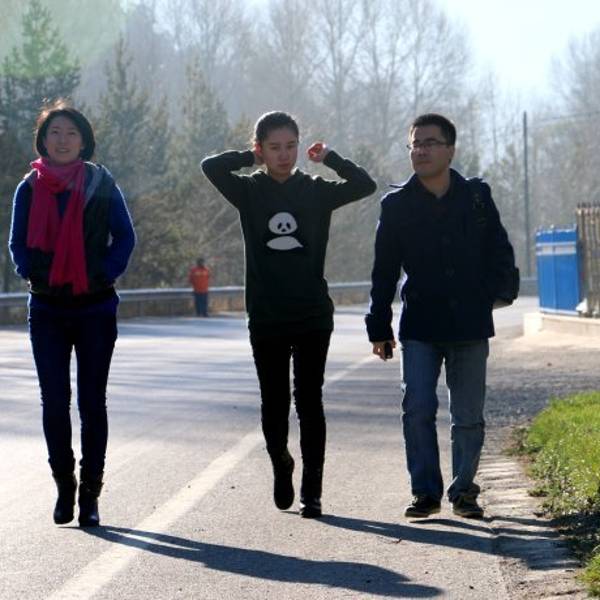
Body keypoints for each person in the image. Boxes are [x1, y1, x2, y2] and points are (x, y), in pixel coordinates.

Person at [201, 111, 376, 518]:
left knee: (309, 400)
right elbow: (210, 167)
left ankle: (312, 489)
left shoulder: (315, 191)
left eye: (291, 146)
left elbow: (364, 185)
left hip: (312, 313)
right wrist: (249, 158)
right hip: (267, 315)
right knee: (274, 401)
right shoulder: (248, 191)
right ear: (261, 149)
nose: (284, 155)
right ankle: (281, 460)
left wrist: (330, 158)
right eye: (274, 147)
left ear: (300, 146)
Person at [365, 113, 517, 520]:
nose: (421, 151)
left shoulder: (476, 196)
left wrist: (491, 294)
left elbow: (499, 249)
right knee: (417, 407)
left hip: (469, 323)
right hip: (420, 324)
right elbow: (384, 271)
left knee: (468, 416)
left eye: (430, 143)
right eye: (415, 144)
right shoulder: (396, 205)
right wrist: (378, 325)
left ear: (450, 150)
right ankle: (425, 493)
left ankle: (464, 491)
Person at [8, 100, 136, 527]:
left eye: (71, 133)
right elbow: (16, 243)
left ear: (84, 141)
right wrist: (33, 272)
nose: (62, 140)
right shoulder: (30, 187)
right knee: (54, 401)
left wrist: (102, 272)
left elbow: (125, 237)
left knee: (91, 402)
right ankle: (64, 484)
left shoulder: (101, 182)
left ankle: (91, 493)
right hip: (47, 307)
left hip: (95, 306)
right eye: (55, 133)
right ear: (43, 140)